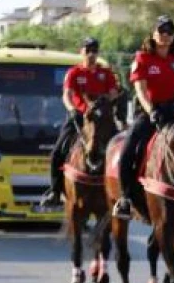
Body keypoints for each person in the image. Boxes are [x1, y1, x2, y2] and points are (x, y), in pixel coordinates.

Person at [113, 16, 174, 218]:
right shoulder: (142, 58)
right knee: (129, 149)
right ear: (153, 34)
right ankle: (125, 198)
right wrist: (152, 111)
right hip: (150, 113)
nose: (165, 35)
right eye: (161, 31)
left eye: (169, 31)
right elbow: (140, 90)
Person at [40, 37, 120, 207]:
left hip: (101, 117)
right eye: (88, 50)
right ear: (81, 51)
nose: (91, 54)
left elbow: (113, 92)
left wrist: (105, 101)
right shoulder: (74, 73)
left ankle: (123, 192)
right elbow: (67, 95)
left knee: (120, 149)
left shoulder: (106, 73)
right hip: (78, 116)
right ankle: (55, 190)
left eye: (94, 50)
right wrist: (72, 109)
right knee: (57, 152)